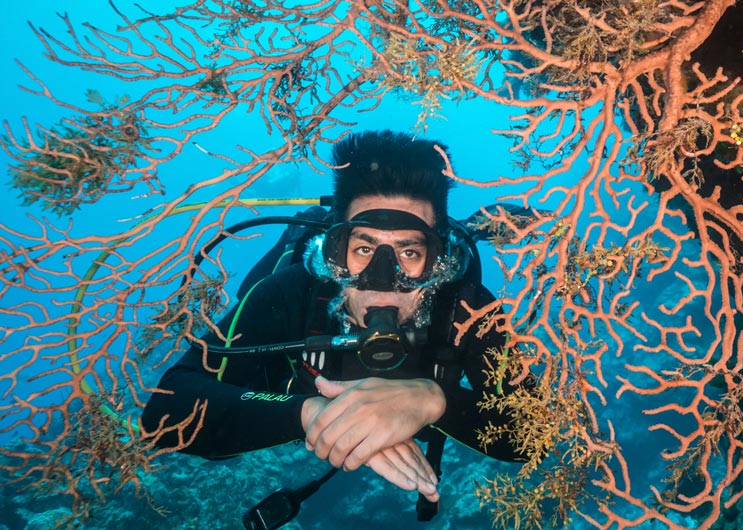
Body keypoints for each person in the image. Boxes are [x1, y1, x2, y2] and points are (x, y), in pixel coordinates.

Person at [141, 129, 521, 514]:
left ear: (436, 262)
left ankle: (465, 230)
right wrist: (307, 413)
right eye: (363, 248)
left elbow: (530, 430)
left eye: (409, 251)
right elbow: (166, 410)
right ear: (334, 255)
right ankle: (307, 226)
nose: (382, 280)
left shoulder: (466, 310)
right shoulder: (292, 292)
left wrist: (437, 400)